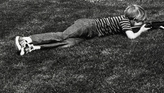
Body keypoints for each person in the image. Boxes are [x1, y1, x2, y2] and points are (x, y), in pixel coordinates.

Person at [15, 3, 149, 55]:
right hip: (87, 26)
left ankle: (32, 47)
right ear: (133, 20)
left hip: (90, 33)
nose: (140, 24)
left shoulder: (124, 21)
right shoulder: (124, 22)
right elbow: (131, 36)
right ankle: (26, 39)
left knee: (69, 43)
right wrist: (140, 31)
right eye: (140, 21)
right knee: (62, 36)